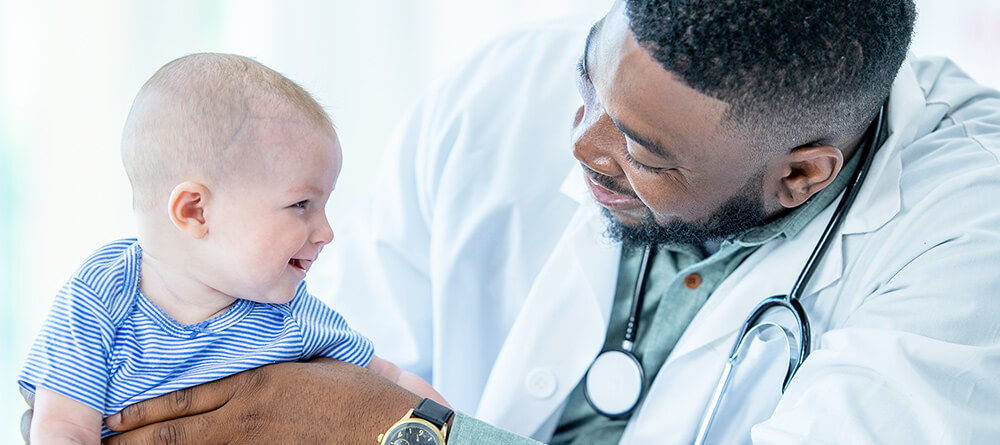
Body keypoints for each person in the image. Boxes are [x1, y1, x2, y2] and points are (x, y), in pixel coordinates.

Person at [21, 0, 1000, 443]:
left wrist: (416, 433)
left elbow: (358, 413)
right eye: (589, 84)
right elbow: (307, 379)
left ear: (800, 177)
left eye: (642, 154)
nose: (579, 146)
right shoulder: (502, 89)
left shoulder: (966, 234)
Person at [17, 53, 446, 443]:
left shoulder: (293, 313)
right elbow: (64, 427)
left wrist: (451, 428)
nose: (326, 231)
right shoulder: (101, 295)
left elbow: (388, 383)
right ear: (195, 211)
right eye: (301, 205)